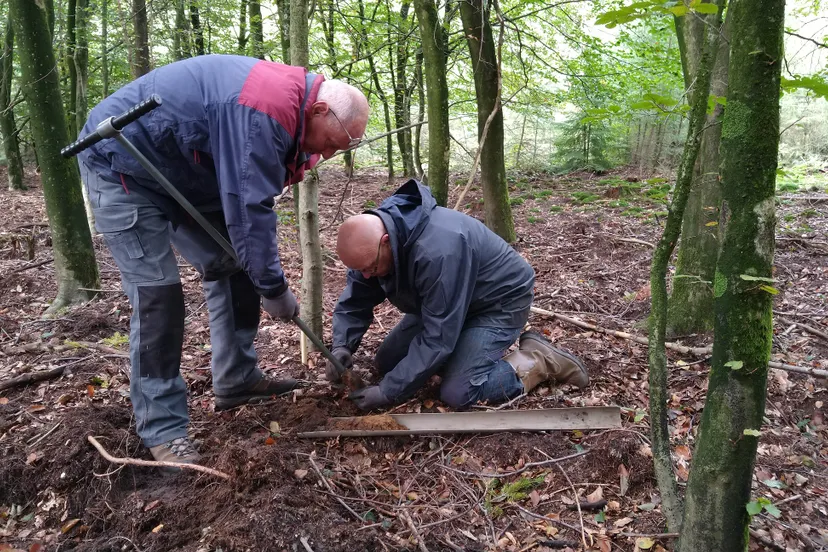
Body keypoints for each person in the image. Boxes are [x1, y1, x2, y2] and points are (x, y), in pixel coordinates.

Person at [77, 55, 369, 466]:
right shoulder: (261, 112)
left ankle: (237, 379)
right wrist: (274, 289)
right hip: (121, 163)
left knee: (234, 266)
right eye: (330, 144)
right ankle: (163, 428)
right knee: (158, 297)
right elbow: (248, 209)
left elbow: (251, 199)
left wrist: (263, 277)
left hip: (183, 171)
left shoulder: (293, 112)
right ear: (319, 110)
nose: (327, 154)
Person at [325, 179, 589, 411]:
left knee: (458, 392)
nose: (368, 275)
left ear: (385, 241)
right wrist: (342, 345)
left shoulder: (439, 250)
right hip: (446, 302)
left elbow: (438, 337)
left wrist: (387, 392)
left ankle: (538, 359)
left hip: (497, 302)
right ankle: (464, 353)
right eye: (362, 270)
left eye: (371, 268)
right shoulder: (371, 247)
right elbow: (356, 299)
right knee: (387, 363)